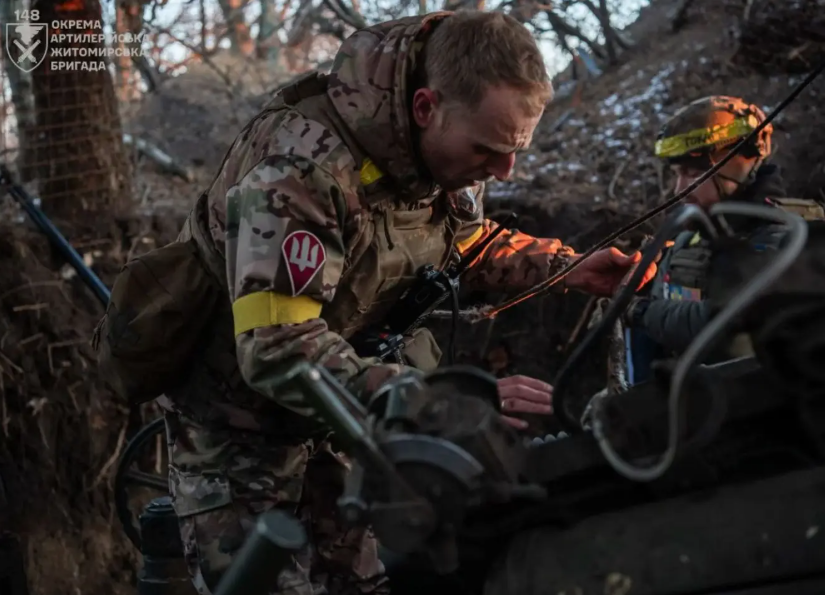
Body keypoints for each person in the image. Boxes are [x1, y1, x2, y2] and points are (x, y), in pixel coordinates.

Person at [94, 10, 656, 595]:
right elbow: (276, 349)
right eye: (489, 149)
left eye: (514, 150)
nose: (505, 171)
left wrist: (567, 267)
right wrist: (434, 402)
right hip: (239, 436)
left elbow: (463, 243)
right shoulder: (299, 169)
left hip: (341, 419)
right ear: (425, 107)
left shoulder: (447, 157)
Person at [621, 95, 825, 383]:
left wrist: (639, 311)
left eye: (693, 173)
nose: (679, 189)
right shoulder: (687, 240)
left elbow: (728, 325)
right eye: (677, 174)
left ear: (738, 166)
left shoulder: (789, 239)